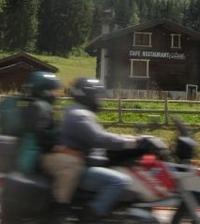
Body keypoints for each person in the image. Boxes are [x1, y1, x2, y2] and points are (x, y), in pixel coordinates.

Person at [59, 77, 142, 223]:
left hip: (88, 163)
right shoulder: (79, 115)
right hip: (83, 168)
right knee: (119, 181)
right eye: (94, 95)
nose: (98, 99)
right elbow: (98, 138)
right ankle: (90, 217)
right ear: (84, 95)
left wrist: (131, 139)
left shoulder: (80, 112)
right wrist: (133, 142)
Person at [20, 71, 80, 224]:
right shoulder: (41, 107)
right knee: (72, 166)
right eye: (53, 90)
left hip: (37, 151)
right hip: (39, 154)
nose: (56, 94)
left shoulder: (33, 104)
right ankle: (61, 208)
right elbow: (43, 137)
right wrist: (64, 149)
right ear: (44, 90)